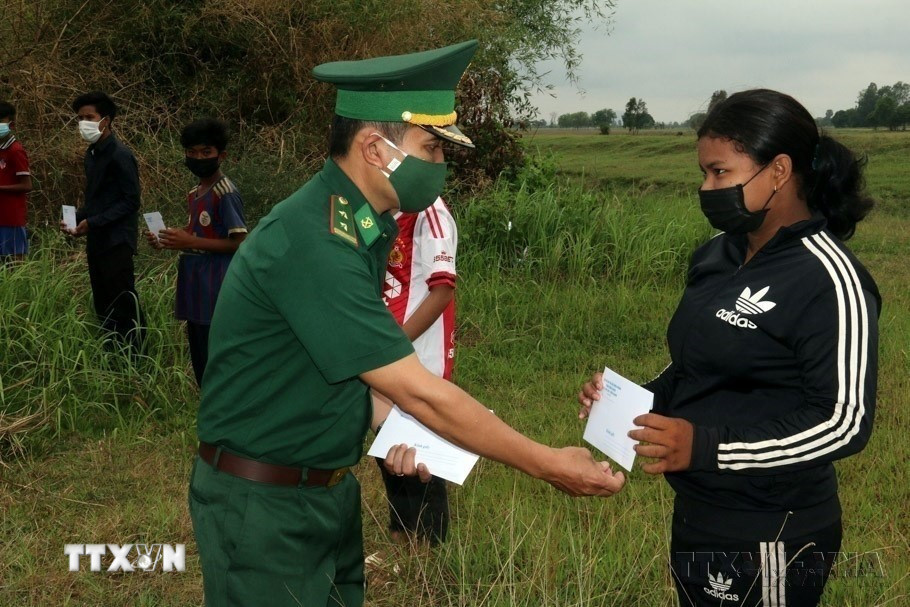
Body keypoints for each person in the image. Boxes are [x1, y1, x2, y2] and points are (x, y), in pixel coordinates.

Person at [190, 40, 625, 607]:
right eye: (432, 148)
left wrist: (411, 437)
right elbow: (417, 390)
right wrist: (548, 464)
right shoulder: (315, 242)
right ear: (375, 148)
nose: (440, 165)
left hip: (321, 491)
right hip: (264, 509)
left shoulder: (361, 227)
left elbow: (355, 375)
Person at [579, 89, 879, 607]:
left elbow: (844, 422)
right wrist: (631, 399)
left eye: (720, 173)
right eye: (704, 173)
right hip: (700, 510)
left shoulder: (829, 278)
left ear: (779, 171)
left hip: (774, 526)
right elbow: (694, 365)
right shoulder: (716, 256)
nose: (706, 187)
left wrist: (706, 447)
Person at [375, 195, 457, 546]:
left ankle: (432, 548)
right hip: (381, 351)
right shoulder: (374, 208)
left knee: (423, 460)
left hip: (417, 356)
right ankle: (401, 538)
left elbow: (442, 290)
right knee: (389, 449)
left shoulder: (430, 212)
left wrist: (395, 345)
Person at [146, 118, 247, 386]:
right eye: (192, 152)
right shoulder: (195, 192)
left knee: (216, 352)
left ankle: (222, 400)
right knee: (199, 349)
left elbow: (240, 242)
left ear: (221, 155)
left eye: (206, 152)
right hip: (195, 284)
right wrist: (169, 239)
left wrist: (188, 241)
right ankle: (207, 398)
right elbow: (197, 233)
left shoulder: (225, 192)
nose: (198, 158)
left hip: (217, 283)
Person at [62, 91, 145, 353]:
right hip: (97, 238)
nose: (83, 123)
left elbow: (131, 201)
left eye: (89, 117)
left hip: (117, 240)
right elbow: (98, 199)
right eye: (80, 118)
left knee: (122, 299)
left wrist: (93, 222)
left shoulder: (120, 155)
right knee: (103, 299)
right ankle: (112, 353)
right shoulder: (92, 154)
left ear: (105, 120)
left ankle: (136, 356)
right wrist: (77, 218)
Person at [0, 101, 33, 262]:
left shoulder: (15, 150)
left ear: (11, 124)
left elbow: (27, 185)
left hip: (11, 217)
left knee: (14, 263)